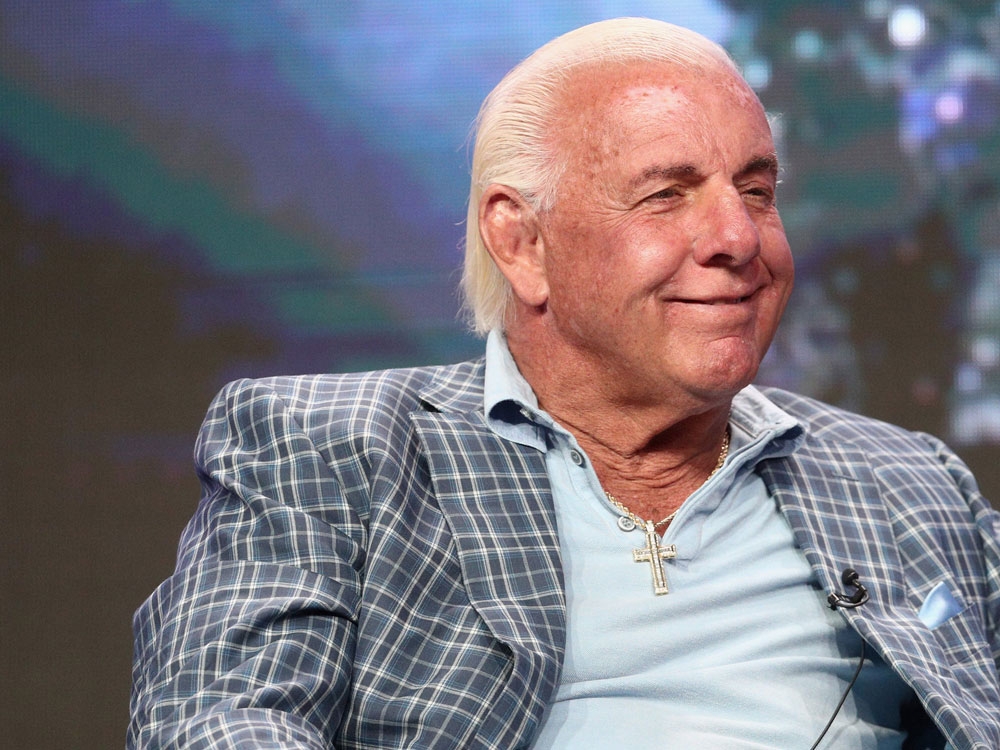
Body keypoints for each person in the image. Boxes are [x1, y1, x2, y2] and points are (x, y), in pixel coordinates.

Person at [128, 17, 1000, 749]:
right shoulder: (332, 451)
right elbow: (218, 721)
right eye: (667, 195)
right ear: (522, 243)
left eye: (758, 190)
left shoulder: (911, 485)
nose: (739, 237)